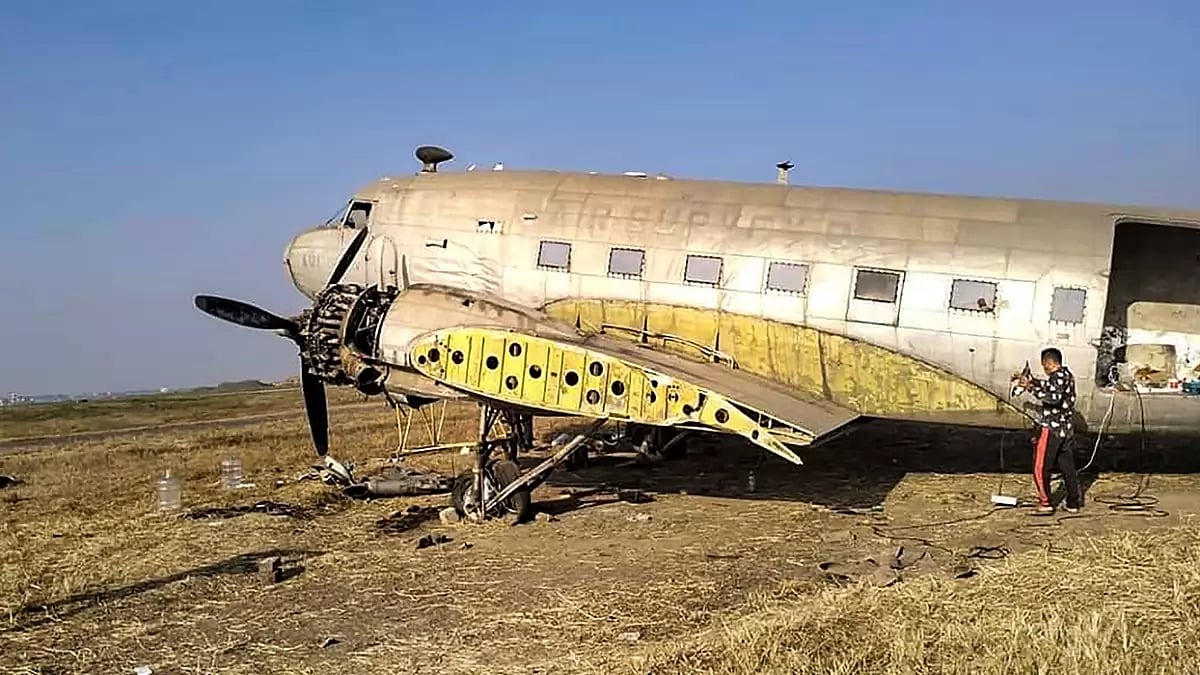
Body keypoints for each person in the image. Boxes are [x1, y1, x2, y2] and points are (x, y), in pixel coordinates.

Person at [1018, 347, 1083, 514]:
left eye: (1044, 365)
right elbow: (1052, 387)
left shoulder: (1056, 377)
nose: (1044, 369)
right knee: (1067, 467)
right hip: (1066, 430)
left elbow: (1053, 398)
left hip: (1052, 429)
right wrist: (1033, 381)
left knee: (1040, 467)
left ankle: (1045, 502)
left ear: (1049, 363)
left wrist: (1030, 389)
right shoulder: (1066, 375)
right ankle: (1073, 502)